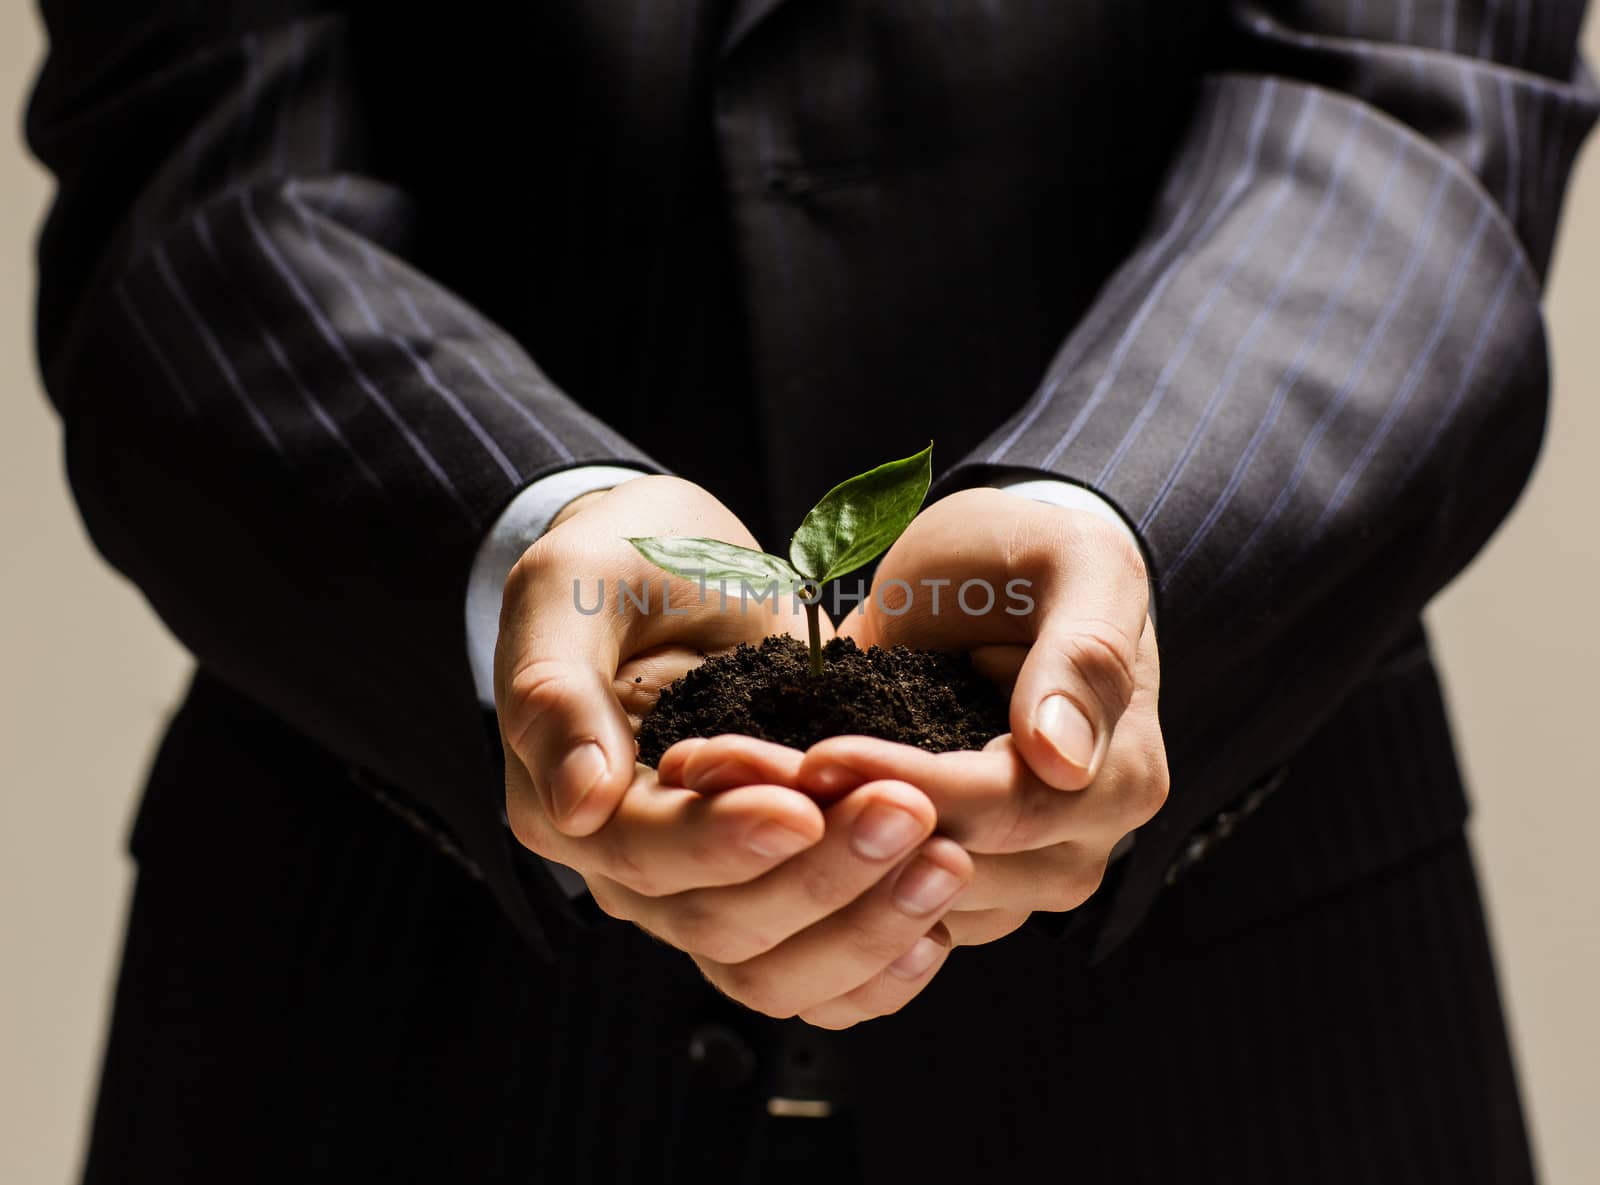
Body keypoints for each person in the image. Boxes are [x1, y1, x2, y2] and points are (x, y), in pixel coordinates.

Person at [26, 0, 1595, 1181]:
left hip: (1250, 1050)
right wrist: (535, 529)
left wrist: (1114, 504)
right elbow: (201, 183)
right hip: (381, 1041)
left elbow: (1422, 103)